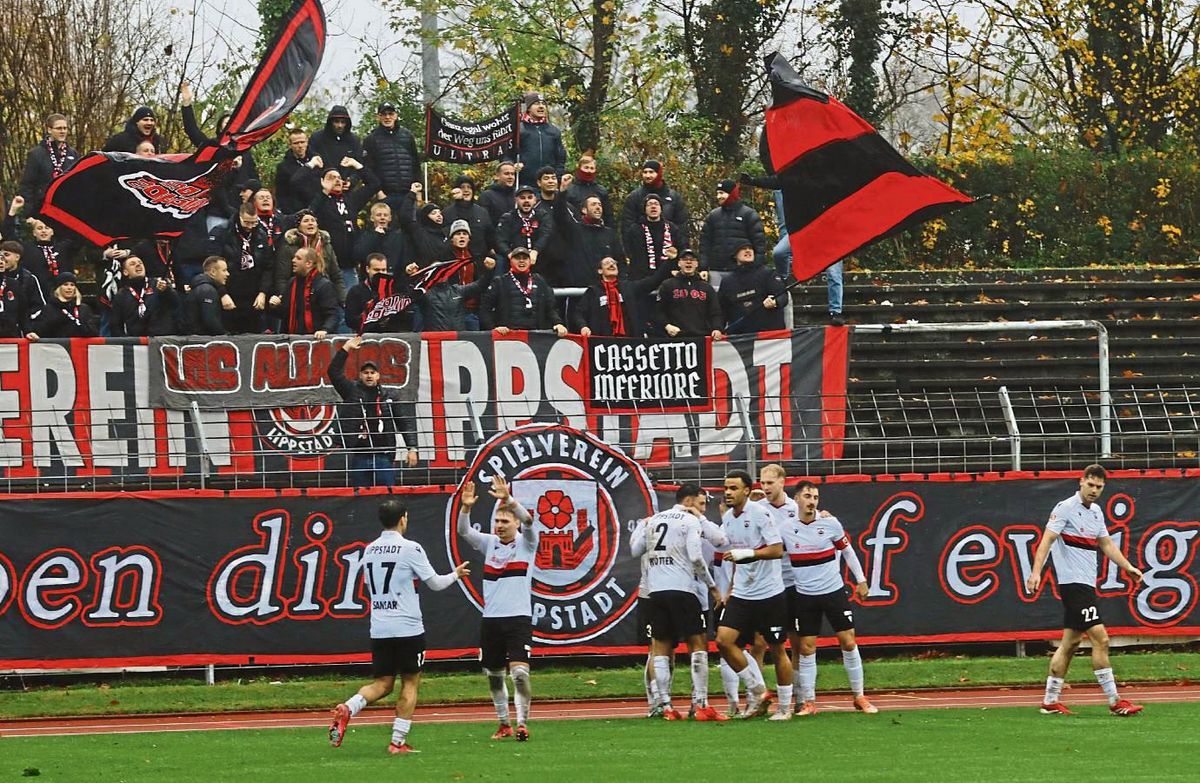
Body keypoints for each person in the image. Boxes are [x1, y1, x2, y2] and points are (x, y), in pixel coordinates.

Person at [328, 499, 470, 754]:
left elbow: (366, 583)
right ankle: (397, 742)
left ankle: (349, 707)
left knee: (382, 683)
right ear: (403, 518)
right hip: (408, 628)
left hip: (380, 627)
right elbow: (435, 583)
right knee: (410, 683)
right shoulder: (410, 548)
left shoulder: (369, 550)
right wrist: (456, 574)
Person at [1027, 464, 1145, 717]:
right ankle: (1115, 701)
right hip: (1074, 585)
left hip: (1085, 585)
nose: (1094, 490)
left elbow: (1105, 543)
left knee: (1069, 643)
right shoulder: (1065, 508)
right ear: (1081, 482)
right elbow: (1046, 540)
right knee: (1101, 639)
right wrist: (1036, 572)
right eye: (1090, 485)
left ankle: (1049, 701)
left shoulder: (1096, 513)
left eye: (1099, 487)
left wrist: (1128, 567)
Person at [631, 482, 729, 721]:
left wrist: (643, 527)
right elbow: (696, 556)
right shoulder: (690, 520)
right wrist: (713, 587)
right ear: (688, 501)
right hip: (683, 589)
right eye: (701, 503)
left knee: (661, 648)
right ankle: (701, 705)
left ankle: (665, 706)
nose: (703, 509)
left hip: (656, 591)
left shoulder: (654, 520)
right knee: (698, 644)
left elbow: (635, 550)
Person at [784, 478, 875, 716]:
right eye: (807, 496)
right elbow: (772, 549)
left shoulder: (830, 523)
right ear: (796, 500)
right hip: (804, 595)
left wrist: (861, 580)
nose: (811, 502)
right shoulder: (785, 528)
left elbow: (847, 551)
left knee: (848, 641)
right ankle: (809, 701)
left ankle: (859, 696)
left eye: (815, 497)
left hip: (833, 591)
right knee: (806, 647)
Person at [456, 476, 537, 740]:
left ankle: (523, 723)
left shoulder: (527, 543)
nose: (500, 525)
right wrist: (466, 508)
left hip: (518, 619)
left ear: (514, 522)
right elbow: (464, 532)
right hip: (491, 620)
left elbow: (528, 520)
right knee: (494, 676)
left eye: (505, 521)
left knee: (521, 674)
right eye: (497, 521)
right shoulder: (489, 543)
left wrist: (509, 500)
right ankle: (504, 723)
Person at [715, 469, 794, 720]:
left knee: (777, 649)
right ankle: (758, 691)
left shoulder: (761, 513)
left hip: (769, 593)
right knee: (723, 641)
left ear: (747, 491)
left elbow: (777, 550)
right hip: (742, 593)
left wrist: (749, 554)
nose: (728, 492)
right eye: (726, 488)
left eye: (733, 488)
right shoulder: (728, 518)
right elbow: (734, 557)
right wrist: (729, 589)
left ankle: (783, 707)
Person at [326, 335, 418, 487]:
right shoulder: (351, 391)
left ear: (378, 376)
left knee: (387, 494)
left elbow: (404, 423)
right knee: (360, 498)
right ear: (360, 376)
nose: (369, 375)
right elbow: (333, 373)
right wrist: (346, 348)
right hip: (360, 455)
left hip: (384, 455)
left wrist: (412, 448)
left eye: (372, 372)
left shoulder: (390, 396)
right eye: (365, 372)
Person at [309, 165, 379, 294]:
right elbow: (310, 214)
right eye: (331, 178)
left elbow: (374, 184)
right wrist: (324, 191)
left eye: (339, 178)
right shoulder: (320, 199)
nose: (336, 180)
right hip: (327, 265)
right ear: (322, 182)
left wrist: (357, 165)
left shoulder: (351, 199)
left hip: (349, 266)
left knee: (350, 304)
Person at [551, 174, 622, 290]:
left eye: (599, 205)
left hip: (604, 291)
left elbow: (620, 260)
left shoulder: (609, 234)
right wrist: (562, 192)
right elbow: (559, 216)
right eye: (593, 205)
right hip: (578, 290)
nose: (598, 207)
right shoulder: (574, 230)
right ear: (584, 210)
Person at [572, 257, 669, 338]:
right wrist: (583, 327)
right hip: (602, 342)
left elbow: (654, 281)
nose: (611, 264)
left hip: (629, 341)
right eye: (607, 263)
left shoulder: (629, 287)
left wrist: (669, 261)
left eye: (614, 263)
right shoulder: (593, 292)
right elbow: (578, 313)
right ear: (600, 270)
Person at [481, 248, 566, 336]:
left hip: (536, 336)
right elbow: (485, 308)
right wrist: (493, 328)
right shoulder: (500, 282)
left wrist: (558, 323)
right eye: (517, 258)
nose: (521, 261)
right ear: (510, 261)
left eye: (525, 258)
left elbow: (551, 307)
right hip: (507, 337)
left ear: (530, 261)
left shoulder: (540, 280)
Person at [700, 180, 766, 289]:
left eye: (722, 193)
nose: (718, 196)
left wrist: (755, 268)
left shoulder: (749, 214)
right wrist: (703, 267)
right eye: (717, 193)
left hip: (742, 271)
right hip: (716, 270)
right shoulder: (713, 216)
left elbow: (759, 244)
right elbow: (704, 244)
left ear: (732, 193)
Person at [218, 202, 273, 333]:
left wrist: (263, 292)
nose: (250, 227)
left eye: (253, 223)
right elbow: (213, 266)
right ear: (240, 217)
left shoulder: (261, 234)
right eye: (246, 222)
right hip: (230, 292)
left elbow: (268, 266)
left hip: (253, 294)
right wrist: (222, 293)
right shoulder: (223, 232)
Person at [275, 211, 345, 308]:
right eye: (306, 221)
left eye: (313, 220)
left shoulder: (326, 246)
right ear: (298, 227)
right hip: (298, 296)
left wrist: (343, 300)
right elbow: (282, 278)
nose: (310, 223)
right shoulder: (289, 247)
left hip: (324, 294)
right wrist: (286, 300)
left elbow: (336, 276)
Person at [719, 243, 789, 335]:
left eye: (750, 248)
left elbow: (783, 296)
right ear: (734, 255)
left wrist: (775, 302)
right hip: (739, 338)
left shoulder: (768, 273)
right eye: (743, 248)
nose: (748, 250)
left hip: (769, 337)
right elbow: (721, 310)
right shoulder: (726, 282)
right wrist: (718, 329)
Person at [656, 249, 723, 339]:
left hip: (702, 337)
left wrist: (717, 328)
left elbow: (715, 312)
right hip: (676, 338)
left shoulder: (707, 288)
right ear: (679, 263)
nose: (688, 262)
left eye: (692, 260)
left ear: (697, 264)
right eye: (685, 259)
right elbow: (658, 311)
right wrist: (667, 326)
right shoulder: (667, 285)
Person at [18, 113, 78, 213]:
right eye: (59, 128)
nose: (63, 131)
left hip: (66, 210)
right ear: (49, 130)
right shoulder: (36, 154)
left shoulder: (73, 154)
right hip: (42, 209)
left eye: (65, 128)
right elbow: (27, 185)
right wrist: (29, 213)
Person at [272, 247, 338, 338]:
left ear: (309, 263)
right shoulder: (292, 283)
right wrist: (275, 306)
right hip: (291, 339)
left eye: (298, 258)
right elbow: (284, 314)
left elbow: (332, 315)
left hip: (315, 340)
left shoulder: (324, 285)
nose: (293, 260)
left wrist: (325, 330)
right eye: (294, 257)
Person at [363, 102, 421, 203]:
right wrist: (378, 192)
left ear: (395, 116)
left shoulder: (407, 136)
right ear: (378, 117)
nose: (387, 117)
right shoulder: (371, 139)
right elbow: (367, 169)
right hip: (384, 195)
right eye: (384, 114)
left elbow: (415, 163)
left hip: (409, 194)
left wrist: (418, 190)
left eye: (390, 114)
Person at [110, 255, 179, 337]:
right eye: (132, 264)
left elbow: (176, 303)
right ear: (125, 272)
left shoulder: (158, 284)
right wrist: (126, 342)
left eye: (140, 263)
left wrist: (167, 290)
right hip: (136, 342)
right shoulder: (121, 295)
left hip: (160, 339)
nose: (138, 265)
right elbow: (115, 324)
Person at [620, 160, 689, 242]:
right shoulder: (634, 197)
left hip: (668, 248)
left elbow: (682, 226)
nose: (647, 176)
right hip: (642, 247)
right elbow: (627, 226)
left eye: (651, 172)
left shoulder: (674, 197)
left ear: (659, 173)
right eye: (645, 172)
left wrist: (681, 249)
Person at [346, 253, 415, 333]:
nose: (381, 273)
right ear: (368, 269)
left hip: (392, 335)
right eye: (376, 270)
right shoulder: (356, 291)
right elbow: (350, 321)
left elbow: (406, 317)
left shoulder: (394, 289)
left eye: (383, 270)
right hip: (366, 336)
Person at [512, 93, 566, 187]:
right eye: (536, 103)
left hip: (548, 185)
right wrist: (512, 165)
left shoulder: (554, 131)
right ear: (528, 108)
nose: (541, 106)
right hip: (524, 184)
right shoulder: (518, 130)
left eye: (543, 104)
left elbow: (560, 157)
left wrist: (557, 176)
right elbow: (506, 154)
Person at [0, 240, 46, 339]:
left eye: (6, 255)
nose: (2, 260)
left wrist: (26, 328)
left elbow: (36, 306)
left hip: (13, 333)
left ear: (17, 257)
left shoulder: (27, 279)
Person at [495, 185, 553, 263]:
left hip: (540, 260)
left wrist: (536, 251)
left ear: (535, 200)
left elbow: (545, 235)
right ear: (516, 200)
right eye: (522, 198)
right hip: (514, 260)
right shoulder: (507, 218)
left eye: (530, 197)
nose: (526, 201)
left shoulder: (542, 216)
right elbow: (501, 240)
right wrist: (510, 254)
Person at [442, 176, 495, 259]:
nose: (466, 190)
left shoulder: (482, 212)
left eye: (469, 187)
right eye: (462, 187)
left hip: (478, 261)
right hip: (454, 261)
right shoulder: (447, 212)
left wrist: (492, 257)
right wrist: (460, 201)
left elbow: (490, 237)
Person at [275, 128, 324, 214]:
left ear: (307, 142)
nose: (300, 146)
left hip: (319, 208)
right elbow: (281, 195)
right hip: (296, 211)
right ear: (290, 145)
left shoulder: (318, 160)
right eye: (296, 143)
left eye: (302, 142)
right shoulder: (283, 167)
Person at [34, 273, 97, 337]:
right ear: (59, 288)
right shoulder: (49, 309)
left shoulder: (83, 309)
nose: (69, 288)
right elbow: (41, 331)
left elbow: (93, 332)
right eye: (65, 284)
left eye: (72, 285)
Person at [352, 202, 408, 274]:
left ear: (390, 218)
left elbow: (403, 258)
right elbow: (359, 254)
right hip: (371, 275)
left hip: (393, 275)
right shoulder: (365, 234)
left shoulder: (397, 235)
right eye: (378, 215)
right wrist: (375, 235)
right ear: (372, 218)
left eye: (385, 215)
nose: (382, 218)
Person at [308, 106, 363, 176]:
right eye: (336, 122)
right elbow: (311, 161)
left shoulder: (354, 141)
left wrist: (351, 181)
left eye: (343, 122)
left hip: (345, 183)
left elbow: (359, 165)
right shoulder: (317, 138)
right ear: (330, 122)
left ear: (347, 123)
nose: (340, 125)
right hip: (322, 182)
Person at [563, 153, 614, 228]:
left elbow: (608, 216)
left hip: (599, 231)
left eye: (592, 168)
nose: (589, 171)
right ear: (579, 168)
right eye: (586, 168)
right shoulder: (570, 190)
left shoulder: (601, 191)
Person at [186, 256, 231, 336]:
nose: (227, 274)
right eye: (224, 270)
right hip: (203, 340)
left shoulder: (200, 286)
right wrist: (224, 335)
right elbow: (210, 320)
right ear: (213, 272)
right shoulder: (208, 290)